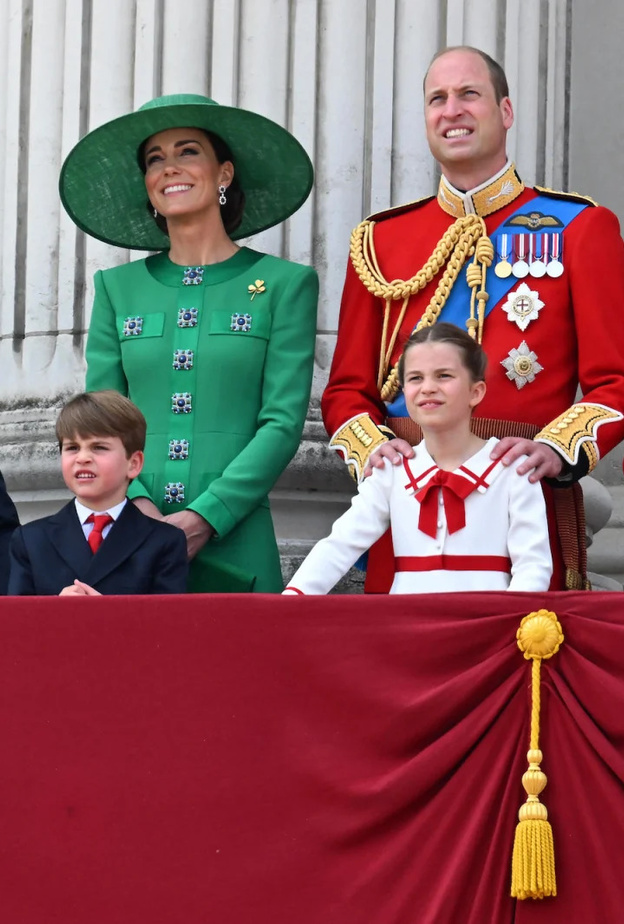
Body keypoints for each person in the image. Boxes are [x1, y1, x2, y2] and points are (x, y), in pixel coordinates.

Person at [321, 45, 624, 592]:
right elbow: (346, 390)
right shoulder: (381, 240)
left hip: (525, 495)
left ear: (505, 112)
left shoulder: (580, 226)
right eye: (437, 99)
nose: (451, 110)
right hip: (409, 500)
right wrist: (374, 450)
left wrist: (556, 449)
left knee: (524, 664)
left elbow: (614, 382)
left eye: (469, 94)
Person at [59, 93, 319, 593]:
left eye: (187, 151)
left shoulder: (285, 284)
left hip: (237, 537)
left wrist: (208, 514)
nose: (169, 167)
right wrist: (140, 507)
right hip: (132, 534)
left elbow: (282, 422)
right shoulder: (118, 289)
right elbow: (101, 424)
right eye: (155, 159)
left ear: (224, 173)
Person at [284, 324, 552, 594]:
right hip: (407, 627)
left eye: (443, 375)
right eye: (415, 378)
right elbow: (339, 546)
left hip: (489, 624)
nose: (428, 388)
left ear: (476, 392)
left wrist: (506, 625)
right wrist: (291, 599)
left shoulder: (512, 468)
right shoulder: (390, 470)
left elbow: (533, 567)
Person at [8, 391, 188, 596]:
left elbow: (168, 624)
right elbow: (16, 623)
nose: (82, 458)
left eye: (99, 447)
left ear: (134, 463)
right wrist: (54, 613)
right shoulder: (31, 540)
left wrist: (106, 615)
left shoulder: (164, 541)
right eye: (72, 447)